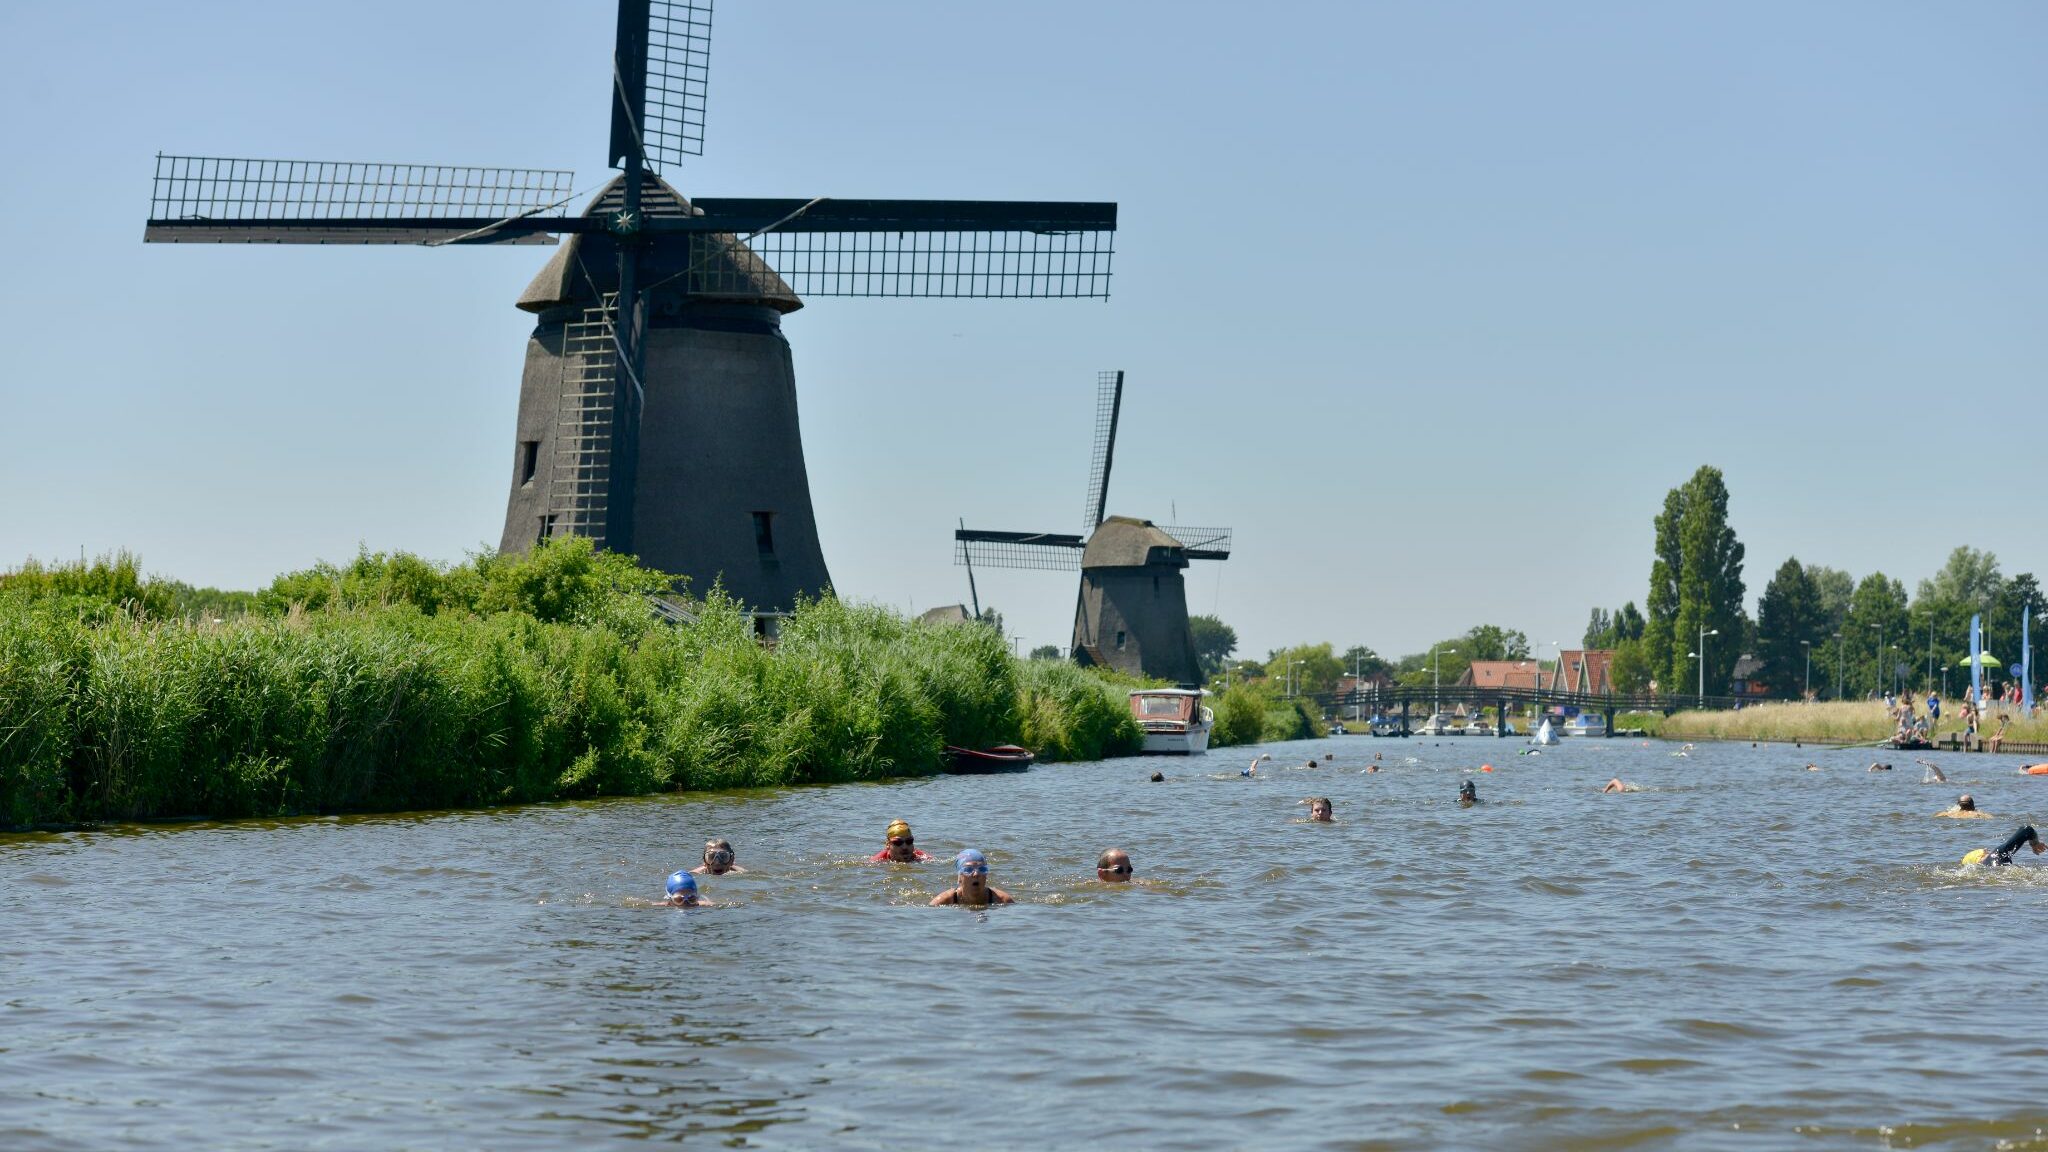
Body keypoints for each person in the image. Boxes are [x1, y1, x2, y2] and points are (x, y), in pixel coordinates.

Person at [931, 849, 1013, 906]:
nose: (976, 874)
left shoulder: (1004, 901)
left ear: (986, 876)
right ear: (959, 877)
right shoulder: (941, 902)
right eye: (968, 870)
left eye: (982, 869)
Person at [1961, 825, 2044, 867]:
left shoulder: (1984, 867)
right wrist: (2034, 844)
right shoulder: (1996, 855)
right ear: (1984, 851)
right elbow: (2027, 829)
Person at [870, 819, 934, 863]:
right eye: (898, 842)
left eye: (909, 841)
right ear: (888, 845)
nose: (905, 847)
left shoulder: (923, 858)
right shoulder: (876, 861)